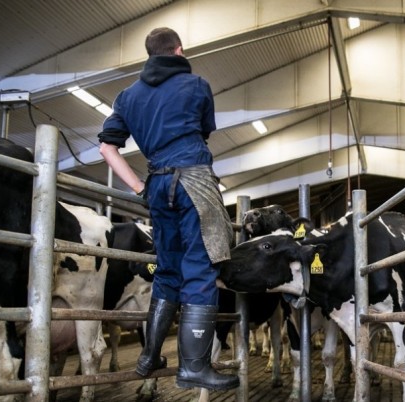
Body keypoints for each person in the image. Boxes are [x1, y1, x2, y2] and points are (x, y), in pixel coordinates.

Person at [97, 27, 239, 391]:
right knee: (200, 267)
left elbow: (106, 148)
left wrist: (138, 186)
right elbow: (204, 131)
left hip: (157, 186)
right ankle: (193, 366)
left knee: (167, 271)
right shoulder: (196, 84)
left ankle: (149, 356)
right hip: (193, 181)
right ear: (178, 50)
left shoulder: (127, 96)